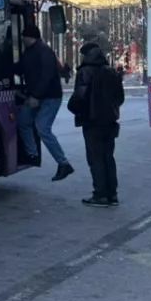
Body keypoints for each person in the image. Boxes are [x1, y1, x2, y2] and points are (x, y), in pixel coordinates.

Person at [67, 41, 125, 207]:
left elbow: (80, 96)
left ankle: (100, 194)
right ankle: (112, 194)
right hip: (109, 121)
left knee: (95, 157)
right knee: (108, 157)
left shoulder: (85, 72)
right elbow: (120, 98)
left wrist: (74, 108)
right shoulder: (111, 72)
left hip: (92, 121)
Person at [19, 25, 75, 181]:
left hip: (50, 97)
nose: (22, 39)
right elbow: (22, 68)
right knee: (23, 121)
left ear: (29, 37)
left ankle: (63, 164)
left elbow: (47, 75)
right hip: (37, 96)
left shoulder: (43, 51)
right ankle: (32, 154)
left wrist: (36, 96)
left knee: (43, 128)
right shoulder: (29, 52)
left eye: (24, 36)